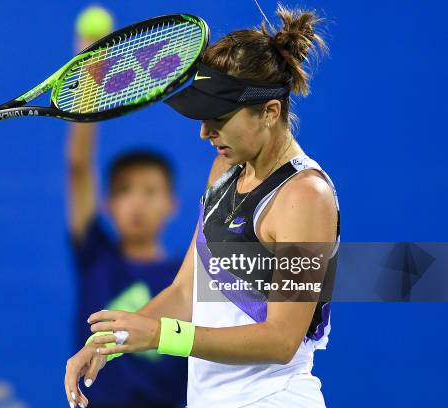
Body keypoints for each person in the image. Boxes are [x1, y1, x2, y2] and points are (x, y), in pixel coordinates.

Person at [64, 5, 340, 408]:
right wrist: (111, 342)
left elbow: (282, 339)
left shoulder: (305, 197)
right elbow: (185, 291)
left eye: (219, 118)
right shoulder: (224, 169)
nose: (204, 132)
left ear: (270, 112)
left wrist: (162, 336)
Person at [66, 116, 188, 408]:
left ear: (171, 203)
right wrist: (86, 106)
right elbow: (78, 168)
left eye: (150, 191)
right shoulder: (95, 256)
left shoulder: (187, 277)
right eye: (124, 190)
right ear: (106, 203)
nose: (137, 203)